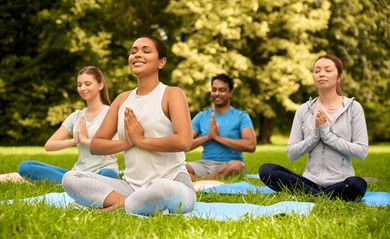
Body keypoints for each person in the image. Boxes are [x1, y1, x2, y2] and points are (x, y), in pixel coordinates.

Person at [62, 35, 196, 215]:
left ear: (161, 62)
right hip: (131, 187)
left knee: (160, 189)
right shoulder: (122, 99)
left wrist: (141, 140)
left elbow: (184, 141)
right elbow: (96, 145)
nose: (137, 55)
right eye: (133, 52)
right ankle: (129, 204)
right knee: (71, 178)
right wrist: (128, 143)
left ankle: (117, 207)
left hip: (172, 182)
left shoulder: (172, 94)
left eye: (146, 51)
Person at [259, 54, 368, 202]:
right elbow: (292, 153)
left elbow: (362, 152)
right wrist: (315, 136)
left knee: (357, 184)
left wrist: (327, 135)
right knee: (266, 170)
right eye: (317, 70)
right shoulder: (304, 110)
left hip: (342, 182)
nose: (321, 74)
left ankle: (311, 195)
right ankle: (322, 196)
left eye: (327, 70)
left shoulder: (353, 108)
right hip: (309, 181)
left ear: (339, 77)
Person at [0, 66, 119, 184]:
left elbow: (116, 145)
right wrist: (74, 140)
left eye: (87, 84)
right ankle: (75, 183)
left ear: (100, 85)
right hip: (78, 172)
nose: (82, 88)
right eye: (79, 85)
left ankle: (72, 183)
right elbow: (49, 145)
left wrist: (85, 140)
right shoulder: (76, 116)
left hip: (102, 172)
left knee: (109, 175)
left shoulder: (111, 113)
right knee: (25, 166)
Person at [185, 74, 257, 180]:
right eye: (214, 90)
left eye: (222, 90)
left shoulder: (241, 116)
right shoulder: (202, 116)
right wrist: (207, 137)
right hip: (204, 165)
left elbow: (251, 145)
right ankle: (208, 179)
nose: (217, 93)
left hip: (229, 165)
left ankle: (203, 180)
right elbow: (185, 144)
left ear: (230, 93)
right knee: (180, 167)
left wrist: (218, 138)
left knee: (238, 166)